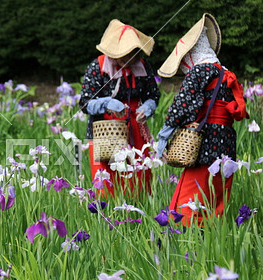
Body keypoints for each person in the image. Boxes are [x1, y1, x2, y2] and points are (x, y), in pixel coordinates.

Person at [156, 13, 248, 227]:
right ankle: (211, 239)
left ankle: (187, 244)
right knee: (215, 196)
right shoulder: (226, 73)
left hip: (204, 140)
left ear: (191, 56)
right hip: (226, 141)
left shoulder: (200, 71)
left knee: (189, 198)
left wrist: (165, 134)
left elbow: (183, 105)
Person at [79, 19, 160, 197]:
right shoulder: (97, 67)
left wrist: (148, 106)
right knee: (107, 180)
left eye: (132, 55)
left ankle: (138, 215)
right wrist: (106, 102)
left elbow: (153, 94)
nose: (128, 60)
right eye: (124, 55)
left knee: (139, 177)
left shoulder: (142, 66)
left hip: (136, 129)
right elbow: (84, 103)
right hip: (105, 130)